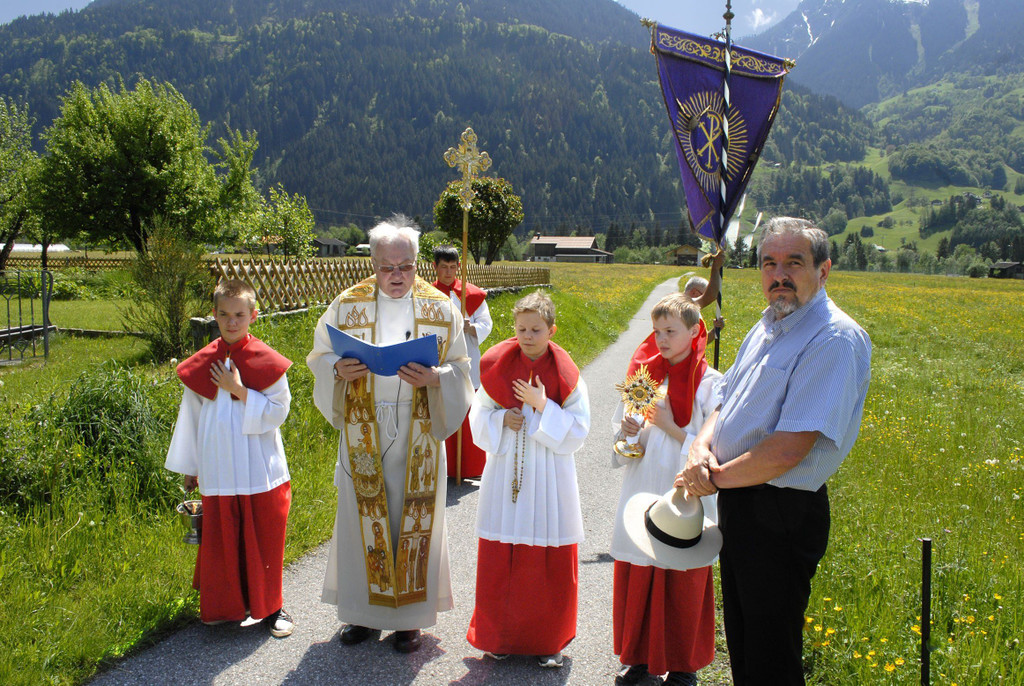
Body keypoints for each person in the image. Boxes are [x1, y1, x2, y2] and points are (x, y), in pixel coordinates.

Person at [678, 217, 872, 685]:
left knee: (771, 657)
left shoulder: (833, 338)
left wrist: (711, 478)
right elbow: (725, 400)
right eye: (769, 263)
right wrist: (701, 447)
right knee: (745, 644)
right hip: (741, 502)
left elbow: (788, 451)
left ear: (823, 270)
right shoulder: (767, 325)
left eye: (793, 263)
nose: (778, 275)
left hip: (780, 513)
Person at [306, 216, 474, 654]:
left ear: (418, 264)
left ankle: (408, 621)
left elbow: (462, 368)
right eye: (387, 267)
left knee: (411, 519)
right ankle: (362, 615)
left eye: (406, 266)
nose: (397, 275)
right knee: (361, 518)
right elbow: (318, 357)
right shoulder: (347, 305)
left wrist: (437, 378)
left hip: (420, 426)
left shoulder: (441, 308)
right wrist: (337, 369)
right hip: (364, 423)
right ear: (373, 264)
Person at [466, 290, 590, 668]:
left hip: (550, 475)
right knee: (502, 557)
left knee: (547, 560)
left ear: (552, 330)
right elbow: (478, 415)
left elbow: (579, 429)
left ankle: (547, 640)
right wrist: (501, 419)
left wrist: (542, 405)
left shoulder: (566, 374)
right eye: (521, 329)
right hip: (506, 473)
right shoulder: (498, 366)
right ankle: (499, 637)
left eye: (536, 329)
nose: (528, 336)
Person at [165, 278, 294, 638]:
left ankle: (273, 608)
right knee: (222, 539)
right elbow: (190, 418)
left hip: (258, 466)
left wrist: (238, 390)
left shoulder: (265, 360)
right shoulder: (203, 363)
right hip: (218, 466)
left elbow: (279, 411)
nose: (232, 322)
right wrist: (191, 467)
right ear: (214, 315)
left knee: (264, 538)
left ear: (253, 315)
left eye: (239, 315)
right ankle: (226, 607)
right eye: (224, 315)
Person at [610, 293, 722, 686]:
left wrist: (671, 427)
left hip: (683, 495)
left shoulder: (710, 384)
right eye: (656, 331)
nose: (661, 339)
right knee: (641, 571)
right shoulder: (643, 378)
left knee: (681, 579)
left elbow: (714, 448)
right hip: (642, 487)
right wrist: (628, 434)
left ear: (694, 332)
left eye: (670, 331)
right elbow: (623, 448)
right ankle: (639, 658)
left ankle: (683, 666)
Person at [431, 244, 494, 479]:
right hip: (439, 361)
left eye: (452, 267)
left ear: (459, 267)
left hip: (467, 358)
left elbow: (486, 323)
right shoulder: (426, 294)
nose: (448, 272)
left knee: (469, 411)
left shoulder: (472, 295)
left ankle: (470, 467)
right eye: (443, 267)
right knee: (443, 409)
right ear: (435, 267)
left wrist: (471, 327)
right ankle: (444, 468)